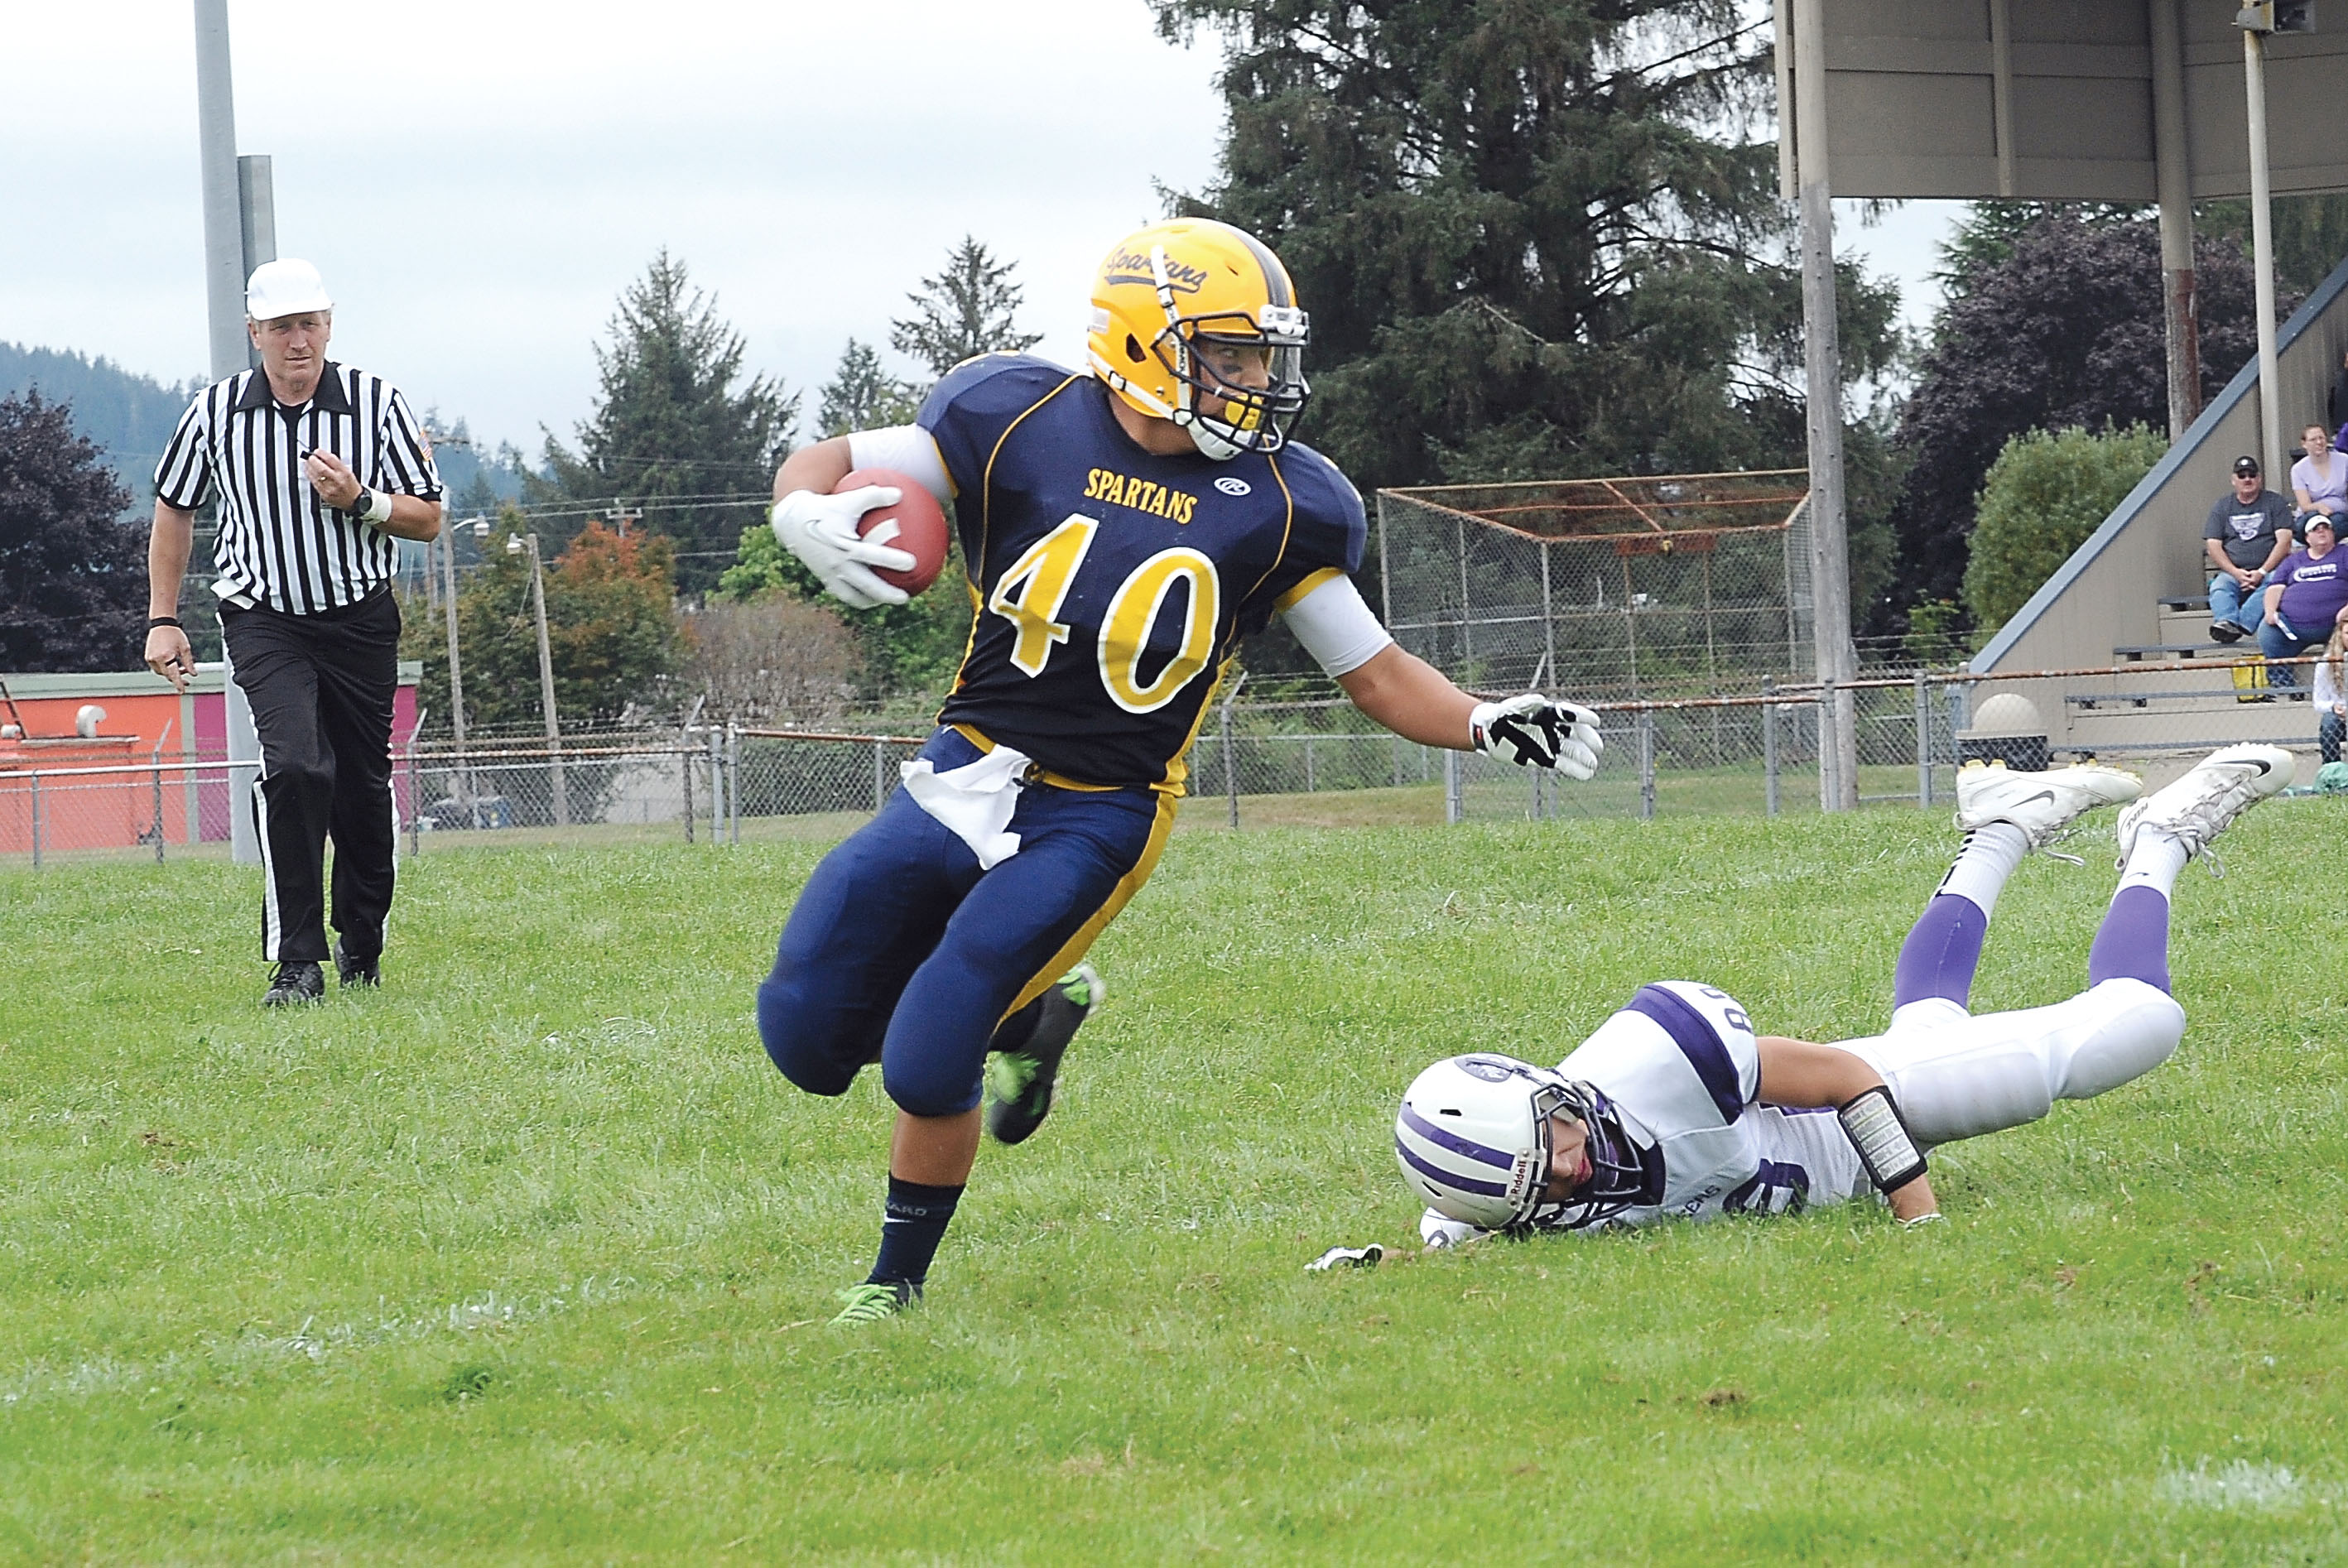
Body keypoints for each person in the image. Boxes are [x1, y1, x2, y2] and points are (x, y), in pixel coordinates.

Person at [758, 218, 1606, 1325]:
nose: (1260, 382)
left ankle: (891, 1288)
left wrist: (1485, 717)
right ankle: (1037, 1015)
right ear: (1144, 344)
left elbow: (1377, 670)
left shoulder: (1288, 501)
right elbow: (833, 458)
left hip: (1099, 810)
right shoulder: (1015, 416)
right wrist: (798, 508)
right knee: (806, 1035)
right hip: (960, 765)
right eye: (1233, 354)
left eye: (1265, 356)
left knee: (927, 1050)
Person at [1308, 744, 2291, 1267]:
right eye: (1546, 1181)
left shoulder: (1653, 1057)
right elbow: (1446, 1241)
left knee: (2129, 1030)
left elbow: (1848, 1076)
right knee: (1932, 1022)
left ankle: (2160, 836)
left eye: (1556, 1132)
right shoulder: (1501, 1204)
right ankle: (1999, 828)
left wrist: (1917, 1216)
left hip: (1851, 1124)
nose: (1574, 1163)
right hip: (1832, 1146)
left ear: (1548, 1087)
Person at [145, 259, 444, 1006]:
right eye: (281, 328)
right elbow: (173, 508)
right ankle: (297, 960)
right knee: (296, 768)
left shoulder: (377, 404)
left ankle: (362, 942)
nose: (297, 342)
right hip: (264, 617)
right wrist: (162, 619)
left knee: (362, 789)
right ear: (255, 334)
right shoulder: (214, 412)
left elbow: (429, 517)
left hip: (359, 618)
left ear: (329, 325)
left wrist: (362, 500)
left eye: (309, 324)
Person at [2203, 455, 2293, 642]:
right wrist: (2236, 573)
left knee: (2274, 583)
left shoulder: (2274, 502)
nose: (2247, 479)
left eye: (2252, 475)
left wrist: (2261, 571)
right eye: (2242, 475)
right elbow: (2213, 544)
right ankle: (2226, 622)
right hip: (2234, 572)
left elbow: (2284, 541)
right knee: (2220, 586)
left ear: (2259, 478)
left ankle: (2242, 623)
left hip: (2270, 570)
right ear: (2233, 480)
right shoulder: (2222, 506)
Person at [2259, 511, 2348, 688]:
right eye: (2316, 529)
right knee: (2268, 631)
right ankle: (2283, 687)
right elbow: (2275, 587)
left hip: (2338, 625)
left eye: (2326, 528)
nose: (2321, 531)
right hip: (2294, 627)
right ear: (2307, 537)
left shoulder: (2345, 554)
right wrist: (2270, 611)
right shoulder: (2293, 561)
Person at [2292, 424, 2348, 530]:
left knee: (2336, 523)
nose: (2319, 442)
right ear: (2304, 444)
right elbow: (2305, 505)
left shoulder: (2344, 460)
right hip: (2312, 514)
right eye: (2313, 439)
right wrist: (2319, 507)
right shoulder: (2298, 469)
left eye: (2321, 438)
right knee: (2307, 527)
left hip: (2339, 514)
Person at [2317, 622, 2346, 765]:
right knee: (2329, 722)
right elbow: (2318, 703)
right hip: (2342, 717)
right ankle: (2333, 770)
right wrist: (2334, 707)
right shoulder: (2325, 663)